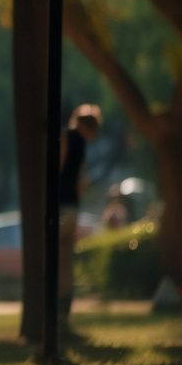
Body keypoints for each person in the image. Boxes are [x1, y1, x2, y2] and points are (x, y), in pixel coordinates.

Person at [58, 103, 101, 330]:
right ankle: (64, 318)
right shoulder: (82, 145)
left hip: (60, 206)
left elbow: (59, 169)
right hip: (72, 208)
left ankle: (56, 317)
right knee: (65, 262)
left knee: (56, 259)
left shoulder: (66, 137)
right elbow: (77, 184)